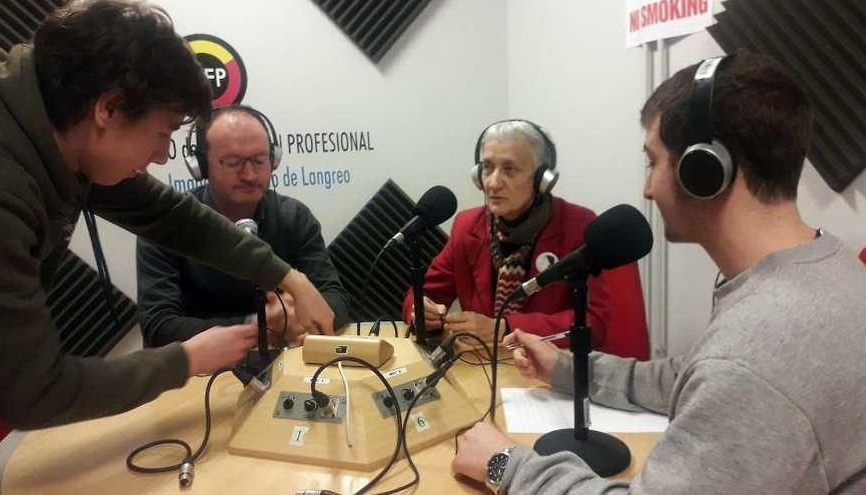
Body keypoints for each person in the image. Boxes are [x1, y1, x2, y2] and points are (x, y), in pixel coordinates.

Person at [451, 52, 866, 493]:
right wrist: (568, 369)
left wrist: (503, 464)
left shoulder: (752, 356)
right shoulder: (829, 266)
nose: (647, 188)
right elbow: (687, 377)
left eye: (653, 161)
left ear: (704, 170)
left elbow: (731, 375)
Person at [0, 0, 333, 431]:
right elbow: (37, 394)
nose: (161, 155)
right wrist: (187, 359)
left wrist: (290, 278)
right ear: (108, 109)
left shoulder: (63, 129)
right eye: (163, 133)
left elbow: (172, 217)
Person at [137, 105, 350, 348]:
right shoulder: (166, 223)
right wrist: (257, 327)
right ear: (201, 166)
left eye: (259, 161)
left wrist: (296, 320)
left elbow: (336, 298)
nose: (250, 175)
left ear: (274, 160)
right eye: (233, 162)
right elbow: (158, 327)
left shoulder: (294, 217)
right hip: (200, 375)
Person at [402, 120, 611, 348]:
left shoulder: (578, 225)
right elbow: (422, 294)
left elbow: (594, 324)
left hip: (549, 373)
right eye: (487, 167)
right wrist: (421, 310)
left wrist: (504, 327)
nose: (492, 183)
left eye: (509, 169)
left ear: (542, 180)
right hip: (482, 370)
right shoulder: (467, 225)